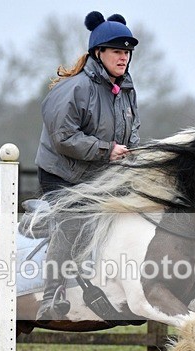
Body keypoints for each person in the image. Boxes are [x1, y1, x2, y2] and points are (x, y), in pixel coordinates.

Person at [34, 11, 141, 321]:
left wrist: (131, 151)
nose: (124, 58)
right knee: (72, 221)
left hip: (98, 173)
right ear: (98, 53)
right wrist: (108, 151)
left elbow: (132, 131)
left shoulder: (126, 90)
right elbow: (63, 137)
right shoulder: (74, 88)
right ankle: (51, 294)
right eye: (117, 52)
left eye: (127, 52)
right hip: (62, 174)